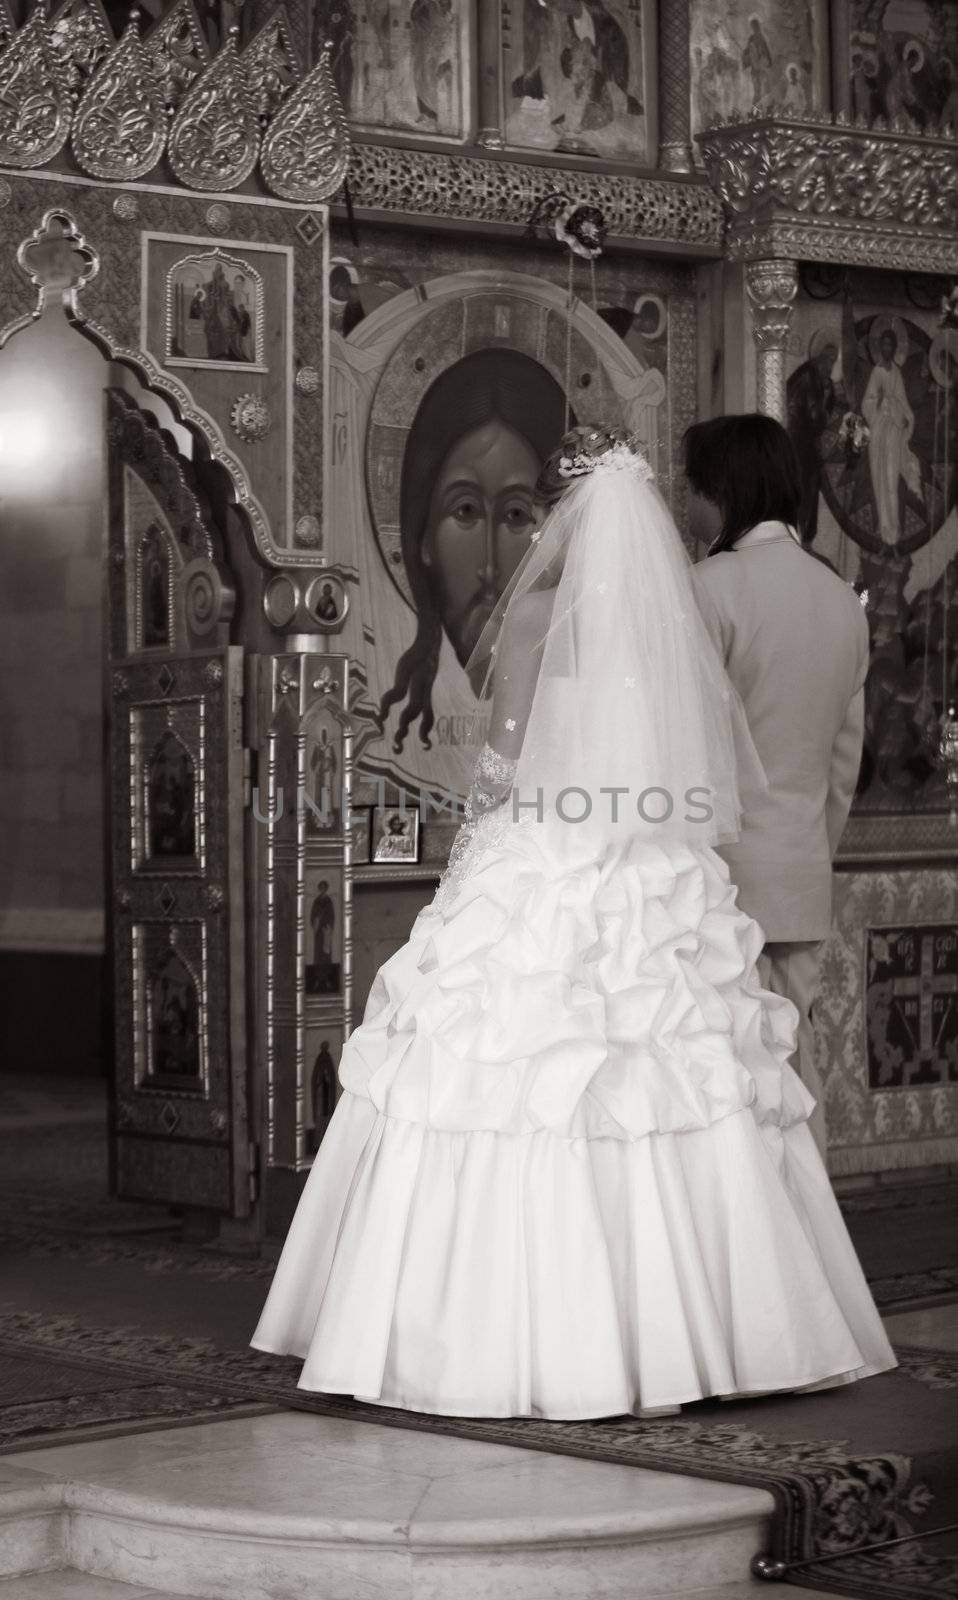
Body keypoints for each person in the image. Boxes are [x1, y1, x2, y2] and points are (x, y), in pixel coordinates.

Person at [252, 423, 894, 1420]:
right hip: (673, 861)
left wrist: (475, 856)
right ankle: (721, 1322)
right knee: (705, 1088)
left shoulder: (543, 617)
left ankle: (534, 1331)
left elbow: (503, 767)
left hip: (550, 852)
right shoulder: (688, 612)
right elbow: (735, 759)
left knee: (520, 1074)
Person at [687, 414, 870, 1161]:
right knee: (795, 1065)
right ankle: (812, 1239)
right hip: (800, 873)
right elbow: (843, 763)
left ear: (722, 489)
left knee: (725, 1072)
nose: (685, 502)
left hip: (719, 878)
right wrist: (807, 850)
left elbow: (686, 746)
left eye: (691, 485)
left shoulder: (709, 587)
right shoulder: (838, 598)